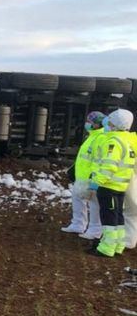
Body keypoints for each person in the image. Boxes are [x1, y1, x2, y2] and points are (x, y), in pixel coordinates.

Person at [88, 109, 136, 257]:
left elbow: (109, 165)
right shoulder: (127, 141)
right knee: (118, 217)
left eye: (109, 123)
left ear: (114, 125)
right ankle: (118, 245)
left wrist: (96, 182)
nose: (107, 125)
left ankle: (106, 248)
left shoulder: (114, 142)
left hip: (109, 186)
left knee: (108, 218)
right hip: (120, 187)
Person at [62, 111, 105, 237]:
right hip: (82, 176)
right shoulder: (91, 136)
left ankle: (94, 230)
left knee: (94, 203)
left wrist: (94, 177)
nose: (88, 123)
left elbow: (98, 159)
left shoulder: (100, 138)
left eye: (90, 122)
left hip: (90, 177)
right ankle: (78, 224)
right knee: (77, 199)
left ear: (96, 125)